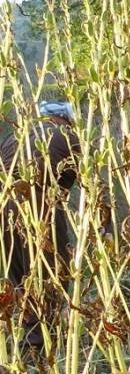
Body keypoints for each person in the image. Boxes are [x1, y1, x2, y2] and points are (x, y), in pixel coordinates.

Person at [1, 101, 81, 349]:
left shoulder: (13, 135)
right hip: (40, 207)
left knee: (18, 277)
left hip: (4, 209)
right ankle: (43, 344)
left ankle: (26, 341)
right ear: (64, 120)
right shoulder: (67, 135)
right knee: (51, 274)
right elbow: (79, 180)